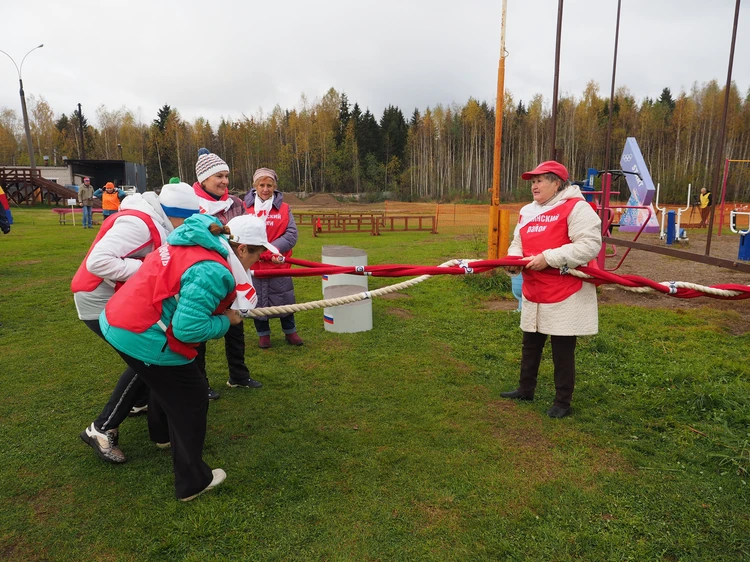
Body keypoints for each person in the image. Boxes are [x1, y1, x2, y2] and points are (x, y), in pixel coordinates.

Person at [99, 213, 276, 501]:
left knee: (162, 382)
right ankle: (193, 481)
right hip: (142, 332)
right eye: (257, 255)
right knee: (192, 399)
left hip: (121, 319)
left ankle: (162, 437)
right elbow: (187, 330)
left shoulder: (197, 239)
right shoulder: (214, 271)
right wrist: (227, 322)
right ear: (242, 249)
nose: (256, 262)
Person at [76, 182, 201, 463]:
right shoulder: (139, 223)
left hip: (120, 299)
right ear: (175, 214)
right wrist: (149, 270)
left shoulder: (157, 220)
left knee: (146, 359)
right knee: (147, 358)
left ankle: (135, 404)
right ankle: (102, 427)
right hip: (99, 301)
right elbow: (98, 262)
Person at [500, 161, 602, 419]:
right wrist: (513, 262)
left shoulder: (577, 208)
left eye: (541, 180)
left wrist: (549, 258)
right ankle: (525, 389)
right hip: (535, 288)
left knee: (562, 348)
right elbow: (518, 242)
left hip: (565, 291)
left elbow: (589, 245)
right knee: (530, 343)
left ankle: (562, 402)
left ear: (557, 183)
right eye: (533, 181)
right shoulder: (527, 211)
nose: (534, 185)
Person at [193, 148, 261, 396]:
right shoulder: (192, 204)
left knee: (236, 326)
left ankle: (239, 375)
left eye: (226, 176)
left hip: (235, 275)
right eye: (218, 176)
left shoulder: (236, 203)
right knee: (198, 331)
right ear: (204, 179)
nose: (224, 181)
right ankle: (201, 383)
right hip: (204, 278)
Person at [243, 167, 304, 348]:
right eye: (262, 185)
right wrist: (257, 252)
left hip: (278, 264)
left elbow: (291, 234)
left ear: (275, 186)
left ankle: (290, 332)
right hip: (254, 265)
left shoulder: (284, 209)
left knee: (284, 299)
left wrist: (271, 250)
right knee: (257, 301)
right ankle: (264, 334)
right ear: (255, 186)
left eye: (269, 185)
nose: (265, 189)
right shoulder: (244, 208)